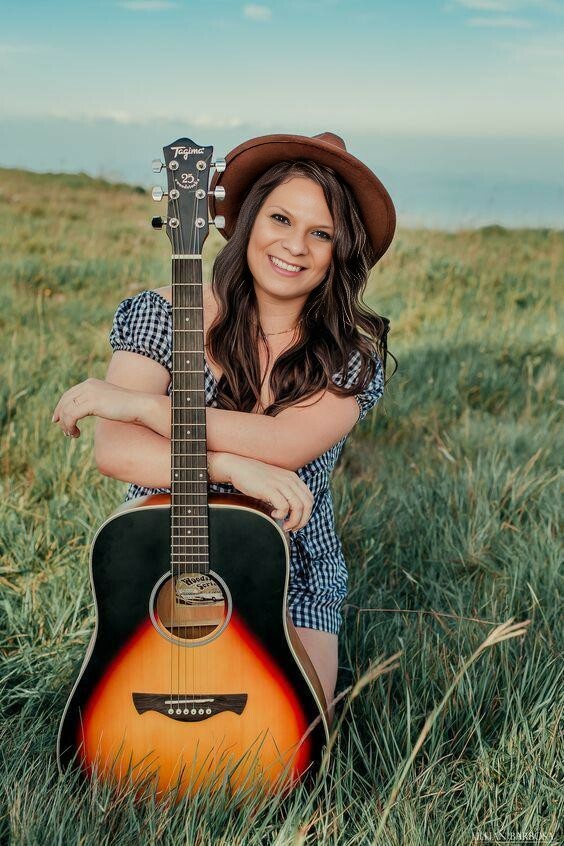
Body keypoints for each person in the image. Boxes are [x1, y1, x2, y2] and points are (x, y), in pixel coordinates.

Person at [51, 131, 396, 724]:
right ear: (246, 219)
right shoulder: (162, 314)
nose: (295, 246)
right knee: (125, 735)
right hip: (162, 556)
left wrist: (146, 408)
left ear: (341, 252)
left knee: (293, 742)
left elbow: (283, 445)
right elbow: (116, 451)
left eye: (321, 233)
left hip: (291, 560)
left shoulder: (348, 358)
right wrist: (228, 468)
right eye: (281, 218)